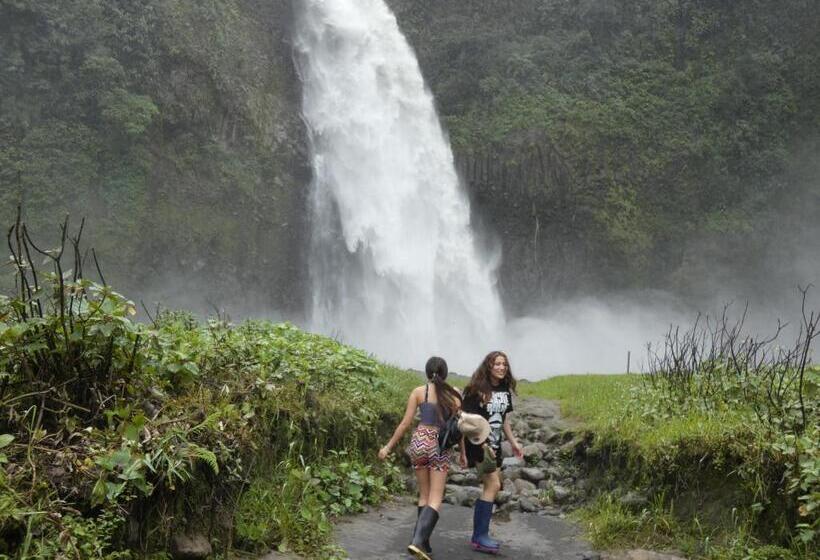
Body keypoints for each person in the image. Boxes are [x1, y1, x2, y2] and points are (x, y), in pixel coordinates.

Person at [378, 356, 462, 560]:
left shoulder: (418, 392)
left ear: (427, 373)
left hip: (419, 442)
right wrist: (464, 454)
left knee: (424, 495)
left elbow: (405, 423)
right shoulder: (455, 396)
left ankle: (424, 544)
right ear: (445, 373)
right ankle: (416, 541)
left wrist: (388, 447)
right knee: (435, 498)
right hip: (439, 446)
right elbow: (459, 429)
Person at [459, 350, 523, 554]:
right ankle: (479, 537)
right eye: (497, 364)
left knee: (490, 485)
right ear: (489, 366)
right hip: (479, 445)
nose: (502, 367)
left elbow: (504, 419)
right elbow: (465, 419)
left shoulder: (504, 389)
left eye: (504, 364)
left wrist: (513, 442)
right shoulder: (476, 389)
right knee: (493, 484)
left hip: (495, 445)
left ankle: (479, 536)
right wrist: (479, 444)